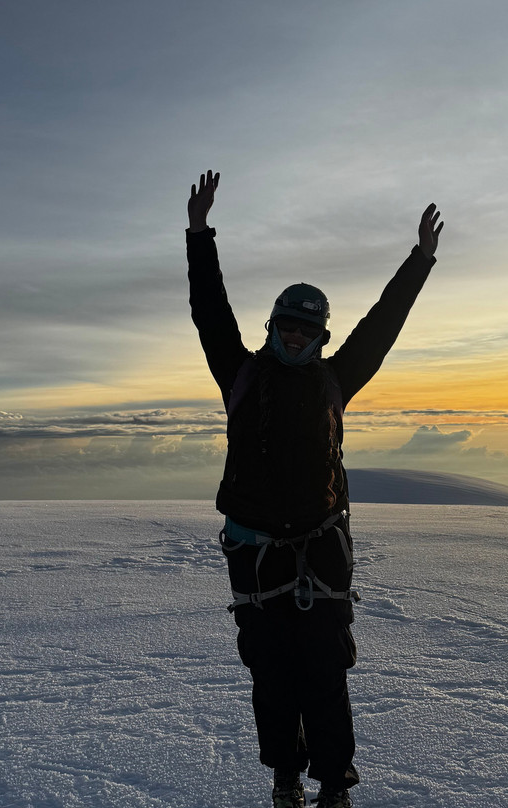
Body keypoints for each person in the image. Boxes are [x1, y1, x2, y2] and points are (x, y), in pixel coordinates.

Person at [186, 169, 442, 808]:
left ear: (321, 334)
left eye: (305, 328)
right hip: (254, 547)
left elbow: (382, 327)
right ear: (272, 326)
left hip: (322, 548)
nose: (293, 335)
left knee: (326, 673)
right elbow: (209, 309)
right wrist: (198, 233)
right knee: (271, 676)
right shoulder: (242, 373)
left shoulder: (334, 380)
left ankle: (333, 783)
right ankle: (284, 779)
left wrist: (420, 261)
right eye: (285, 325)